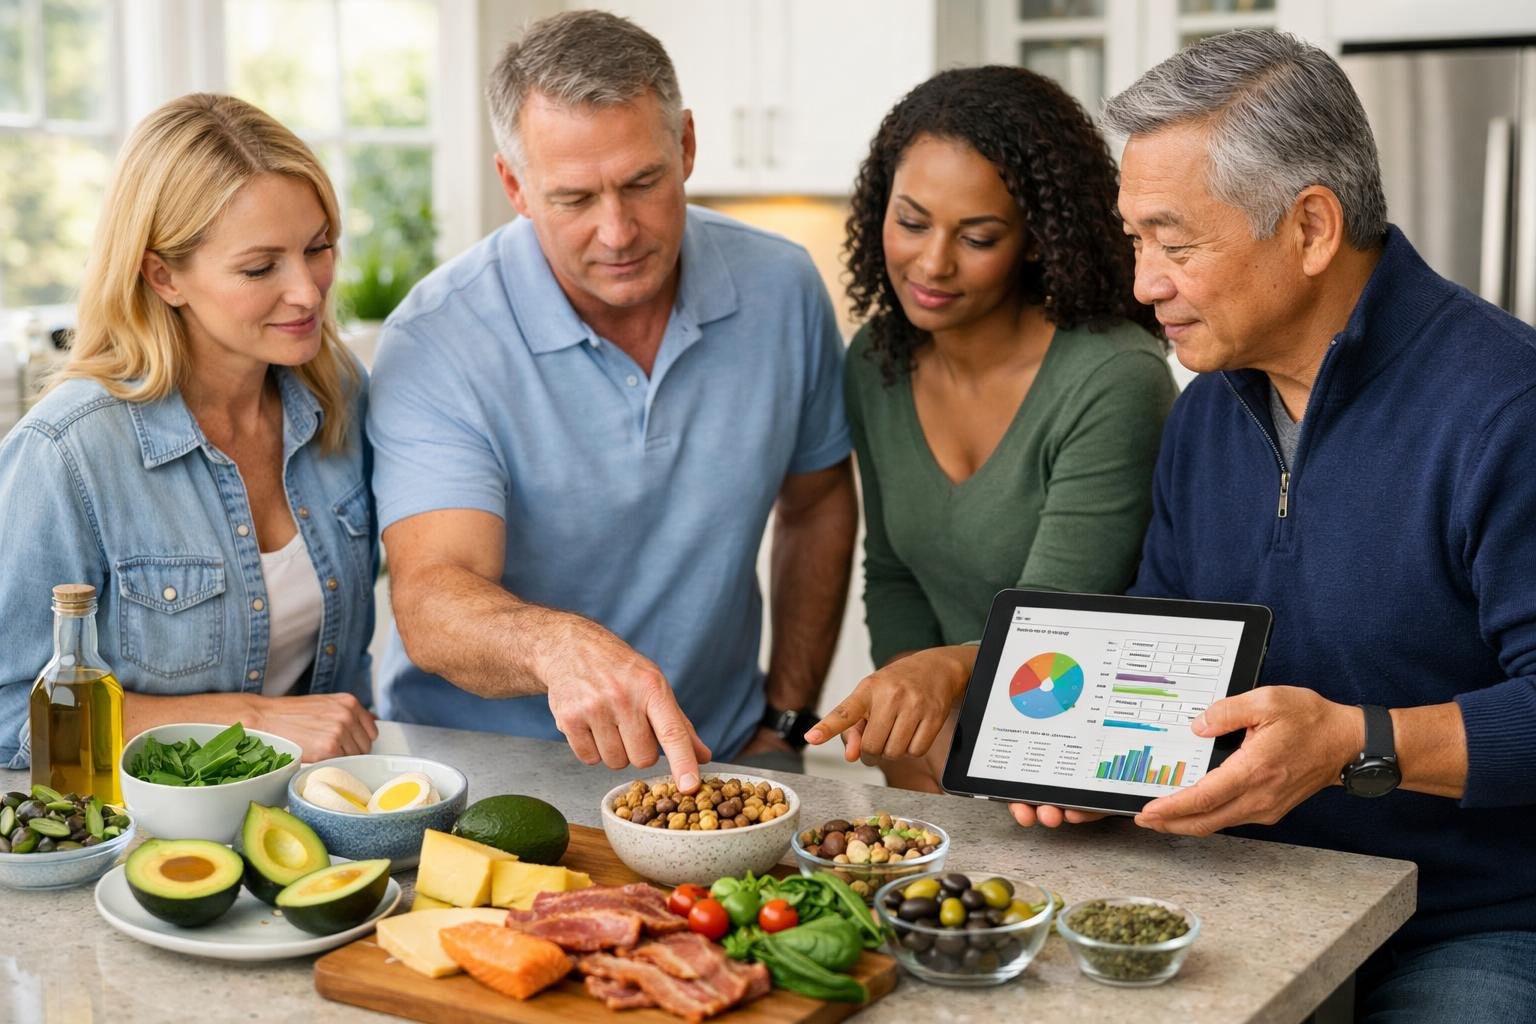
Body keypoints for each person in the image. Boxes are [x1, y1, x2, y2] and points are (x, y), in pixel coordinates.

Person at [824, 29, 1536, 1019]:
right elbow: (1158, 645)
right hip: (1236, 891)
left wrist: (1353, 740)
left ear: (1311, 228)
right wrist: (1083, 763)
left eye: (1174, 241)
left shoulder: (1506, 406)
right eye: (1134, 239)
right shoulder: (1207, 409)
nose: (1144, 280)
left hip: (1466, 927)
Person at [368, 10, 856, 792]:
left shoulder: (782, 287)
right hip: (481, 773)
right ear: (514, 186)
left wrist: (786, 721)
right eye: (573, 198)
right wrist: (557, 646)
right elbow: (431, 598)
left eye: (642, 182)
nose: (618, 230)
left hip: (714, 763)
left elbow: (820, 500)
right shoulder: (439, 339)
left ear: (687, 146)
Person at [812, 66, 1175, 790]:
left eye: (977, 237)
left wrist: (942, 717)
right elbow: (892, 575)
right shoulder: (877, 360)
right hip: (944, 755)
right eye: (911, 222)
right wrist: (909, 756)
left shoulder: (1113, 379)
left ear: (1038, 241)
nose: (932, 263)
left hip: (1081, 767)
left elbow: (1055, 630)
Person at [0, 94, 379, 768]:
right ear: (163, 275)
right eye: (260, 268)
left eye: (319, 247)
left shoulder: (336, 396)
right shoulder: (68, 451)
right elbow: (8, 708)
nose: (309, 292)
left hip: (320, 823)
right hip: (138, 845)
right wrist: (249, 721)